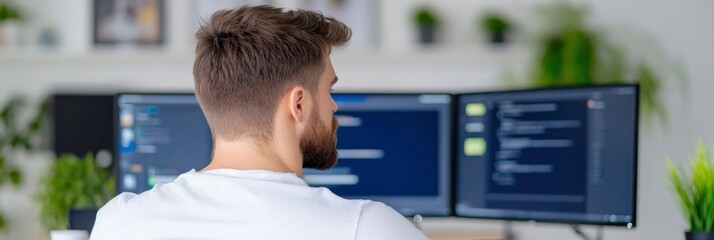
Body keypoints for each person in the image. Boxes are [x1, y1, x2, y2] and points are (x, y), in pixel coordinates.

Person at [91, 5, 429, 240]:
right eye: (330, 89)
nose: (333, 105)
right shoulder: (369, 228)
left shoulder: (118, 222)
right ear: (298, 103)